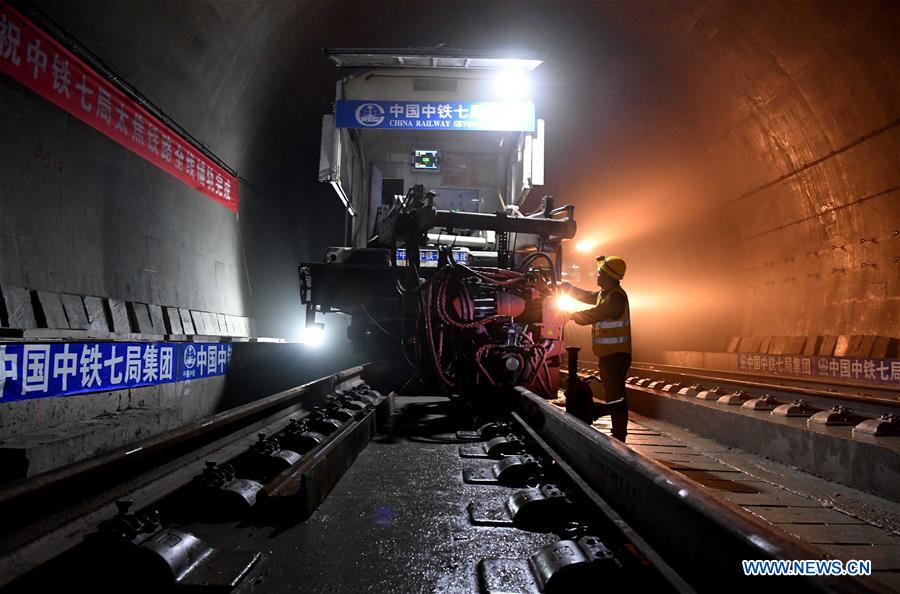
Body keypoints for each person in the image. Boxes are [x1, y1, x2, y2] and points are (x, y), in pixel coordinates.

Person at [560, 255, 631, 440]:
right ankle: (618, 436)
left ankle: (619, 437)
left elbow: (597, 313)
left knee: (615, 397)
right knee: (612, 395)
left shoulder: (616, 299)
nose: (596, 276)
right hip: (608, 356)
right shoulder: (605, 294)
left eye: (599, 273)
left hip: (616, 356)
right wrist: (569, 289)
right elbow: (588, 296)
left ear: (608, 277)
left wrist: (571, 316)